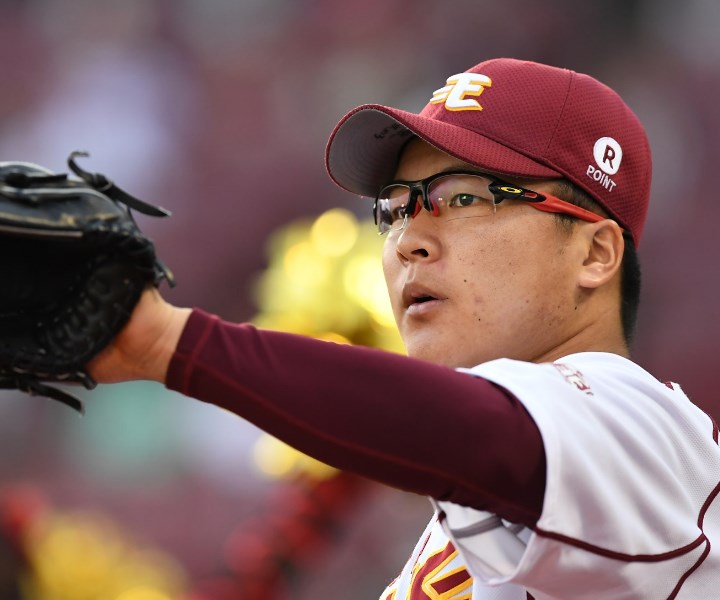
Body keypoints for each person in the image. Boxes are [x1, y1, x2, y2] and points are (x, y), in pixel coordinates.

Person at [88, 58, 720, 599]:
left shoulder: (641, 426)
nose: (408, 240)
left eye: (464, 197)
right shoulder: (490, 509)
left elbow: (474, 432)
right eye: (394, 209)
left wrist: (170, 343)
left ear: (595, 255)